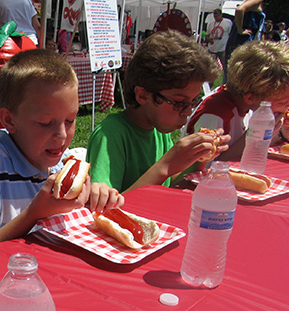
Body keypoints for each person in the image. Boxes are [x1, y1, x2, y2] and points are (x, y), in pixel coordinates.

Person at [0, 49, 124, 256]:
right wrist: (33, 214)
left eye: (70, 120)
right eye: (45, 123)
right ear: (9, 120)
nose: (62, 135)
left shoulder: (61, 162)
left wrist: (97, 196)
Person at [86, 30, 226, 193]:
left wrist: (199, 160)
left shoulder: (159, 127)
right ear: (143, 95)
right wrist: (165, 165)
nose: (188, 112)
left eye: (193, 101)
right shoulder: (111, 134)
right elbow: (104, 209)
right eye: (180, 102)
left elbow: (170, 182)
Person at [186, 40, 289, 161]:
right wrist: (255, 133)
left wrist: (283, 134)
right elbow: (208, 168)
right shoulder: (214, 115)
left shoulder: (252, 106)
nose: (288, 108)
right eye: (283, 103)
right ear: (250, 98)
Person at [224, 0, 265, 81]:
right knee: (242, 68)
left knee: (234, 66)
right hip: (244, 39)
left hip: (240, 39)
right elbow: (240, 10)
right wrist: (240, 30)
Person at [205, 9, 232, 78]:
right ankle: (210, 79)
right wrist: (209, 39)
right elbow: (207, 34)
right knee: (210, 66)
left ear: (221, 15)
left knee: (226, 65)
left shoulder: (227, 22)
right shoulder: (210, 24)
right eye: (215, 16)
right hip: (212, 48)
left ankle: (227, 79)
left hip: (222, 48)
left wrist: (228, 48)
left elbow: (230, 35)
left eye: (217, 16)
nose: (216, 18)